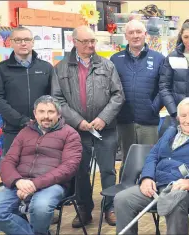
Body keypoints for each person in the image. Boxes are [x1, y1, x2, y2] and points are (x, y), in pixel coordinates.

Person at [114, 97, 189, 235]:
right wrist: (146, 178)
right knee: (122, 199)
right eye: (184, 116)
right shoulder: (170, 133)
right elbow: (152, 156)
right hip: (157, 185)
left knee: (175, 202)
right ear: (178, 117)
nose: (188, 120)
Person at [51, 25, 124, 227]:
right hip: (76, 131)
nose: (91, 45)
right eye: (86, 41)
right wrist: (78, 121)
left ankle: (110, 206)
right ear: (74, 42)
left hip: (105, 129)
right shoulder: (61, 68)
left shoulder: (107, 66)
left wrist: (103, 118)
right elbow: (57, 99)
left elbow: (118, 95)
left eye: (93, 41)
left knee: (108, 170)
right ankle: (83, 208)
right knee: (80, 170)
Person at [0, 95, 82, 235]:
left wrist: (34, 184)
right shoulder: (25, 132)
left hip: (52, 185)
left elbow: (69, 168)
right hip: (21, 183)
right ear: (35, 113)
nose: (46, 116)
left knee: (41, 207)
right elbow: (8, 161)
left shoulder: (70, 134)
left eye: (51, 112)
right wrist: (17, 181)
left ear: (58, 113)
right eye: (41, 111)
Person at [110, 20, 165, 182]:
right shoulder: (115, 59)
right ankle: (125, 192)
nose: (135, 36)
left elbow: (164, 87)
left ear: (145, 34)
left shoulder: (158, 58)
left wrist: (153, 108)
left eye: (138, 32)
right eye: (131, 32)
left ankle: (149, 196)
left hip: (148, 121)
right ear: (126, 36)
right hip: (124, 120)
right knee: (127, 159)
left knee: (150, 159)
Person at [0, 27, 53, 160]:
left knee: (43, 171)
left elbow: (53, 97)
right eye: (18, 40)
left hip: (43, 129)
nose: (23, 43)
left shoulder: (46, 68)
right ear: (11, 43)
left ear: (33, 42)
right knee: (13, 173)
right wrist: (22, 121)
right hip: (13, 131)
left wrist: (43, 119)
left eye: (27, 39)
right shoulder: (1, 69)